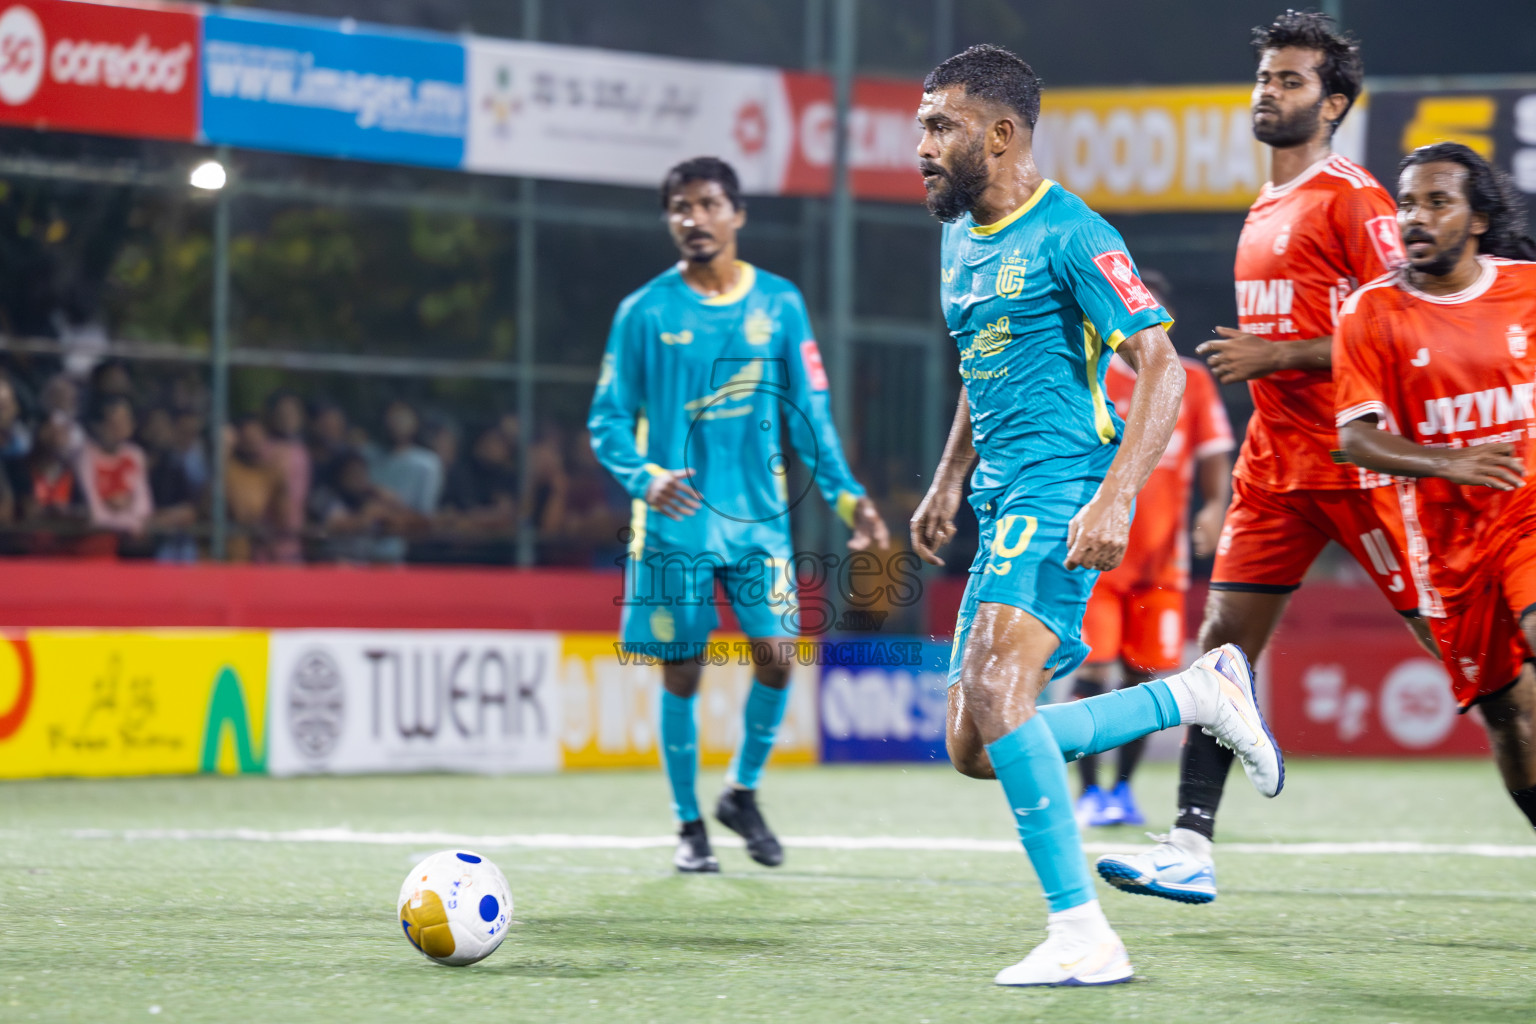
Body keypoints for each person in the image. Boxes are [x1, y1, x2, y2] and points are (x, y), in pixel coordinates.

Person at [907, 45, 1281, 988]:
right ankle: (1196, 697)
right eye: (922, 125)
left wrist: (1115, 494)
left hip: (1061, 481)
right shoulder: (959, 237)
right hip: (999, 493)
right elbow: (982, 362)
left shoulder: (1073, 232)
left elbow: (1163, 370)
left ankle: (1083, 932)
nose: (922, 145)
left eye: (940, 125)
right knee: (974, 745)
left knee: (997, 693)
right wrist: (947, 478)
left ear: (1001, 134)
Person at [1096, 10, 1433, 904]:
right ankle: (1189, 845)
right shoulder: (1264, 205)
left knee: (1458, 643)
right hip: (1275, 471)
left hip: (1361, 461)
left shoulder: (1355, 198)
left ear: (1335, 104)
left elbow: (1403, 330)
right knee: (1220, 657)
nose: (1269, 92)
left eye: (1291, 80)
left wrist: (1277, 353)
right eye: (1264, 77)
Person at [588, 155, 890, 876]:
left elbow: (812, 418)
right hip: (676, 526)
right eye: (680, 207)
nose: (693, 218)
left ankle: (740, 793)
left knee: (780, 658)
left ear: (738, 214)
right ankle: (688, 823)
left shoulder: (780, 304)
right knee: (683, 674)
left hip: (759, 525)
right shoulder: (643, 312)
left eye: (708, 204)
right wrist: (644, 477)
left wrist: (852, 502)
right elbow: (606, 419)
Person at [1334, 143, 1536, 831]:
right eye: (1407, 204)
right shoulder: (1369, 312)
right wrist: (1452, 463)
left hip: (1527, 515)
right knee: (1510, 718)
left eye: (1437, 202)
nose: (1415, 217)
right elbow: (1356, 439)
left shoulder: (1526, 290)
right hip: (1448, 548)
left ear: (1477, 219)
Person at [1072, 273, 1234, 828]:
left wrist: (1214, 507)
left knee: (1143, 678)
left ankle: (1122, 790)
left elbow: (1214, 454)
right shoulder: (1093, 376)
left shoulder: (1191, 381)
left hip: (1163, 564)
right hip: (1098, 558)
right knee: (1094, 672)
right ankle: (1089, 793)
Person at [76, 394, 153, 544]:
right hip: (92, 542)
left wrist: (131, 520)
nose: (125, 425)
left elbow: (143, 507)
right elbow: (96, 515)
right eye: (117, 421)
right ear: (99, 425)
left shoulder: (135, 455)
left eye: (127, 419)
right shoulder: (85, 457)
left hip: (128, 542)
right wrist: (130, 522)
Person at [224, 415, 289, 562]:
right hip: (234, 554)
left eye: (257, 435)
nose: (253, 441)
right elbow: (242, 513)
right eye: (248, 437)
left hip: (265, 555)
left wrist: (282, 483)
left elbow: (284, 518)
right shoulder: (229, 469)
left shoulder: (269, 472)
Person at [373, 399, 443, 518]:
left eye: (403, 417)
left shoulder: (428, 462)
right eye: (393, 416)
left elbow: (426, 509)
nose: (398, 422)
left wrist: (394, 502)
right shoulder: (372, 456)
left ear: (415, 420)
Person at [263, 391, 310, 563]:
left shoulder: (302, 451)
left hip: (294, 541)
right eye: (282, 413)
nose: (287, 418)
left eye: (292, 412)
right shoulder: (265, 449)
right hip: (268, 538)